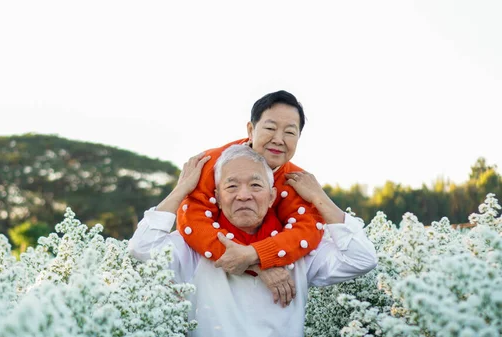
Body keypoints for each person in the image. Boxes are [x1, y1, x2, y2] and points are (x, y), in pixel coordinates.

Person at [128, 145, 378, 337]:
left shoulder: (297, 249)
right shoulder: (194, 248)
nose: (244, 195)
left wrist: (319, 197)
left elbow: (362, 259)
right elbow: (142, 247)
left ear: (271, 197)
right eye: (232, 186)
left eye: (255, 185)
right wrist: (181, 189)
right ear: (217, 196)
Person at [176, 90, 335, 279]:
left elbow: (307, 231)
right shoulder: (212, 164)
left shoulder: (299, 181)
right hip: (209, 277)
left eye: (290, 132)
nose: (278, 139)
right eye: (270, 128)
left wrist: (256, 255)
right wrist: (256, 266)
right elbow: (192, 221)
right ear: (251, 130)